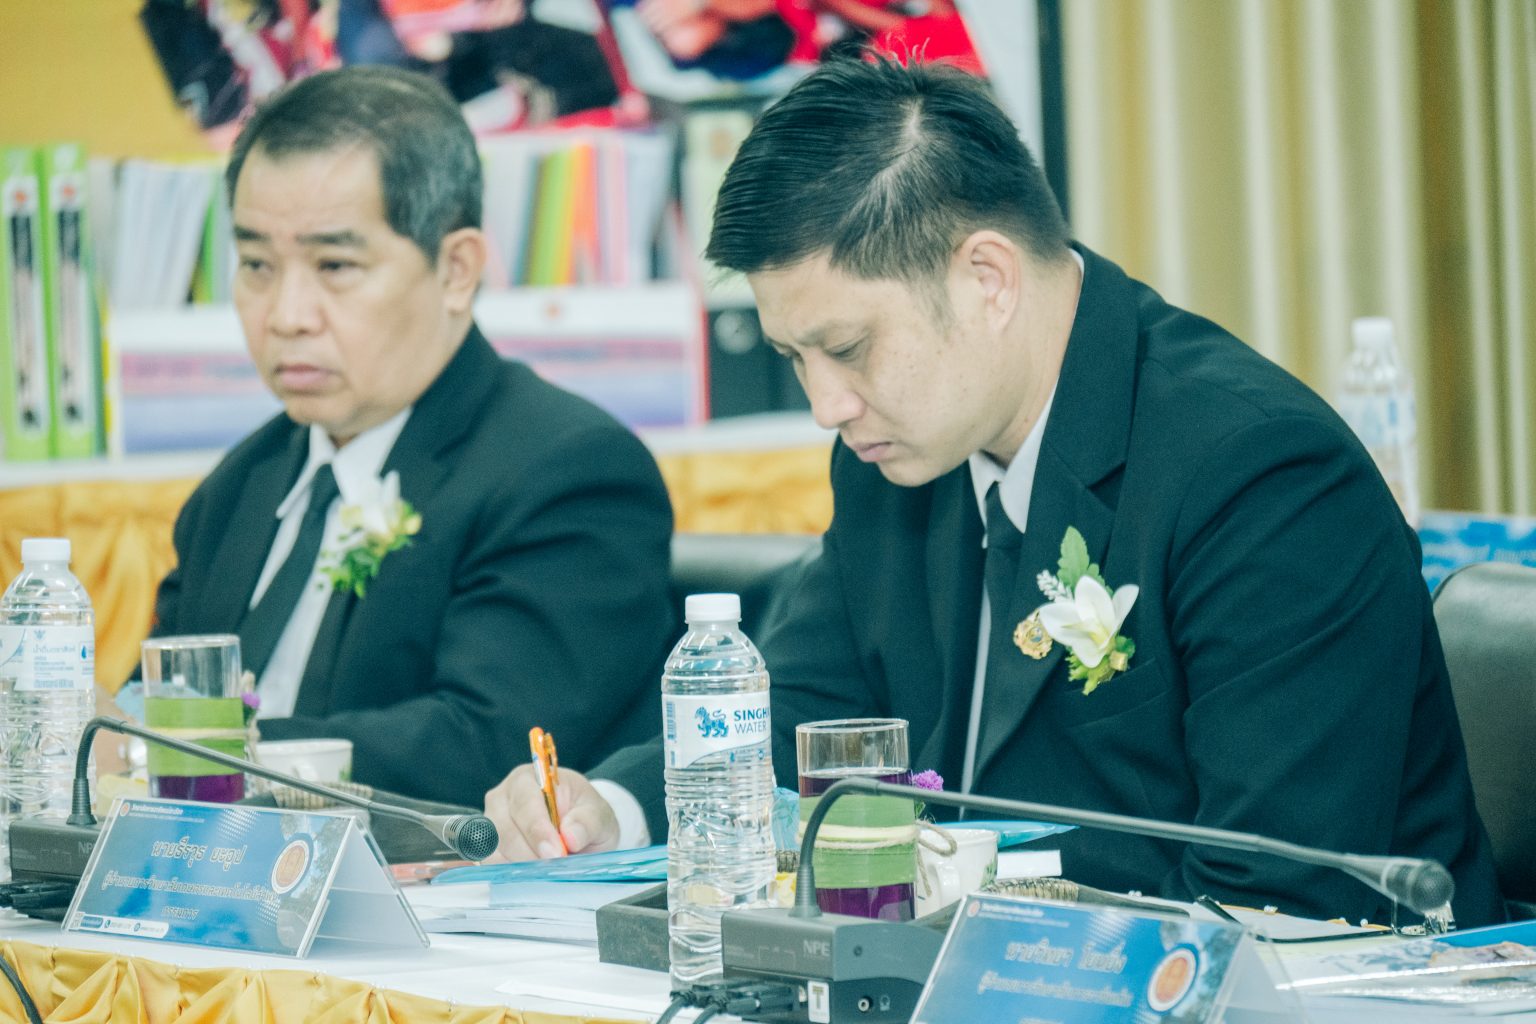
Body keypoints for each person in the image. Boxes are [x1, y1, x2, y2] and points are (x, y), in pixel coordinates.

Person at [483, 55, 1503, 928]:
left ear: (987, 279)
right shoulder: (897, 451)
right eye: (797, 359)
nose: (827, 404)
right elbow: (809, 704)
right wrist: (615, 806)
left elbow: (1279, 892)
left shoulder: (1260, 476)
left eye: (848, 348)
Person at [142, 65, 675, 809]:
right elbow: (153, 704)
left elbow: (487, 746)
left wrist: (206, 755)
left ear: (455, 270)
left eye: (335, 266)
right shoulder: (240, 486)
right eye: (257, 265)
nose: (286, 314)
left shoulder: (568, 471)